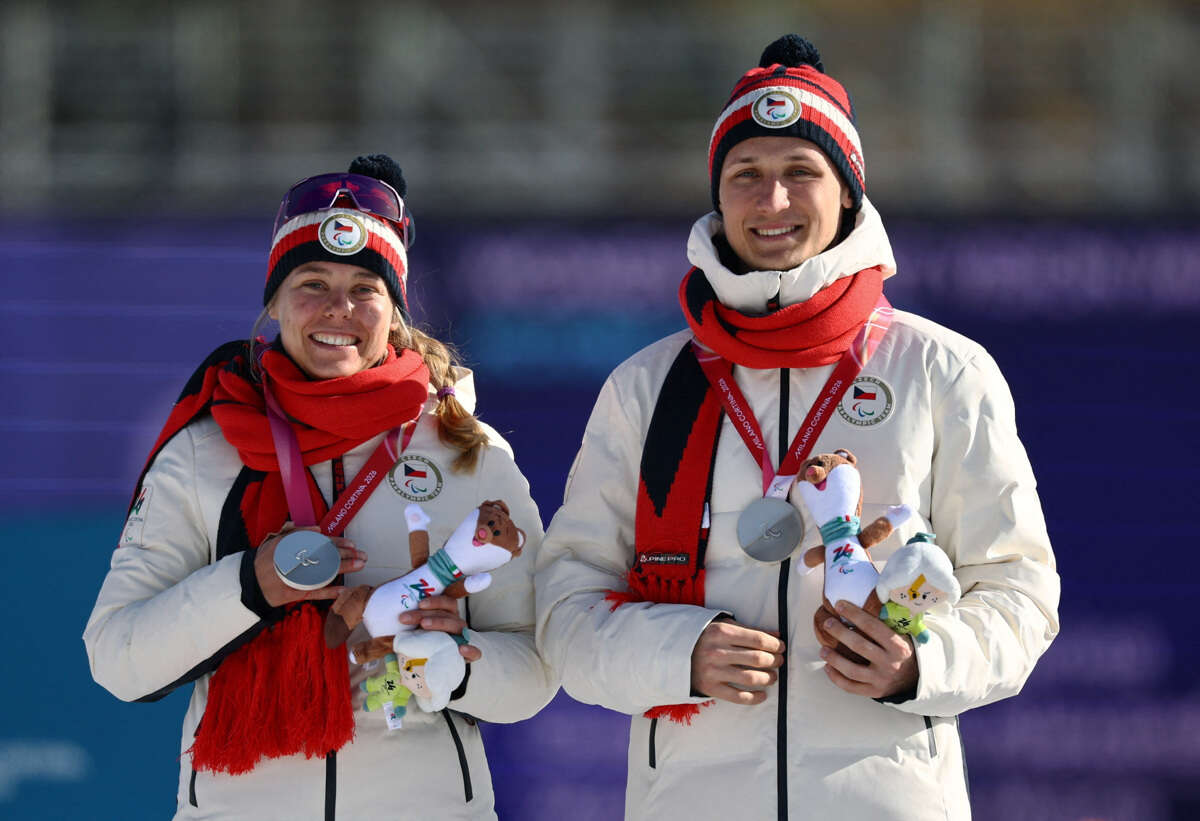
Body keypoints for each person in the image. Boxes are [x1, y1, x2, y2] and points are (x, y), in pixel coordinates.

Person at [534, 35, 1059, 820]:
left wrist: (920, 660)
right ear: (719, 198)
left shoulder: (940, 368)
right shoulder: (649, 386)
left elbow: (1019, 590)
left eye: (801, 172)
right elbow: (565, 606)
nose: (772, 200)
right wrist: (678, 651)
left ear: (847, 192)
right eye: (745, 174)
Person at [84, 154, 556, 819]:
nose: (340, 308)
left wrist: (458, 666)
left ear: (394, 310)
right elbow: (118, 657)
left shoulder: (466, 451)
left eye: (365, 287)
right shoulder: (205, 449)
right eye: (312, 282)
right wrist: (250, 585)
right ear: (274, 302)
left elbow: (537, 667)